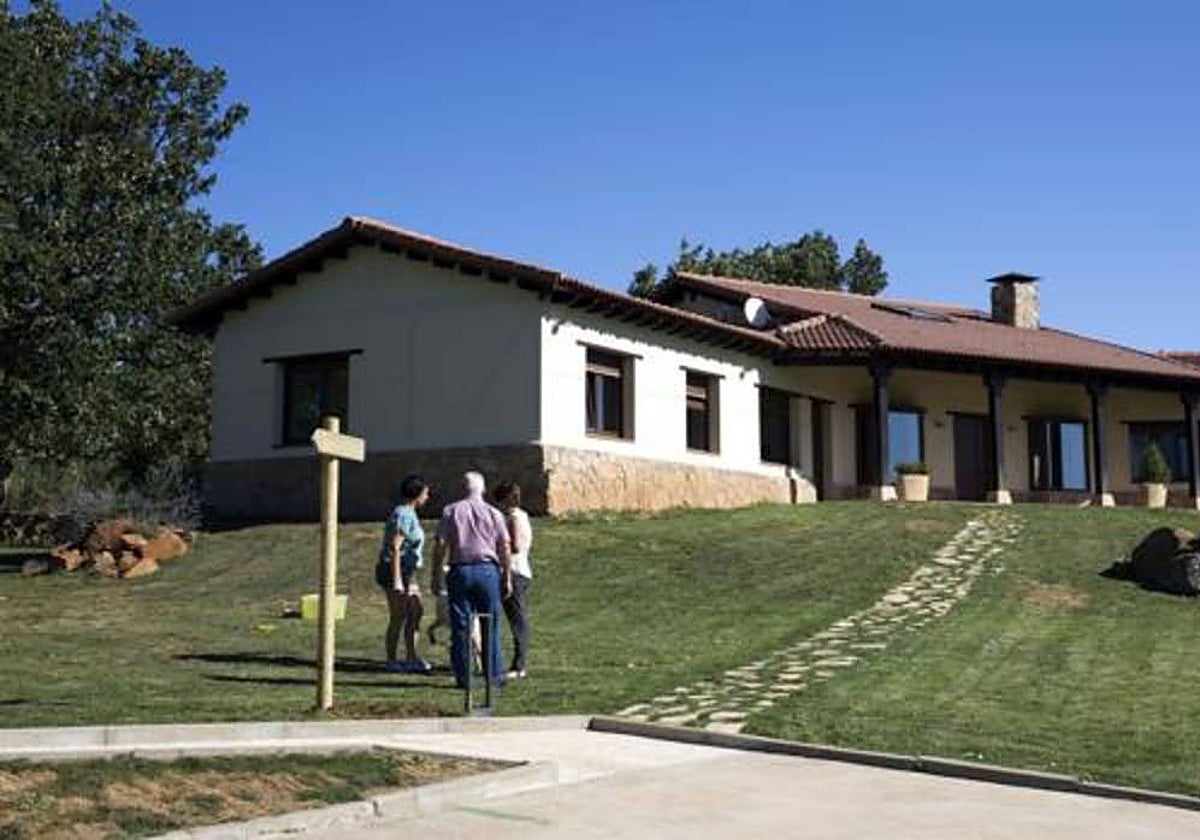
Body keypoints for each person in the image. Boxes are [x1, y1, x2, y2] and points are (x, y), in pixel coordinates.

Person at [432, 471, 511, 688]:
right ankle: (493, 675)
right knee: (490, 623)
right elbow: (504, 545)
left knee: (461, 626)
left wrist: (436, 573)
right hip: (487, 570)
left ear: (463, 488)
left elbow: (440, 545)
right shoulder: (494, 513)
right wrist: (507, 575)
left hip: (460, 569)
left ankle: (464, 677)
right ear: (482, 489)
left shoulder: (451, 511)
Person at [376, 475, 431, 674]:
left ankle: (411, 657)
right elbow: (395, 547)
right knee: (398, 616)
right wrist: (398, 580)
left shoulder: (411, 513)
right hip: (394, 571)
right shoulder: (402, 514)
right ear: (417, 494)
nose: (428, 496)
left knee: (416, 611)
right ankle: (391, 660)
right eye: (426, 493)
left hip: (409, 572)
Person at [494, 481, 532, 679]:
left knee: (517, 619)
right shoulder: (521, 515)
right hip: (520, 571)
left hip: (514, 571)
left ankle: (519, 665)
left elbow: (514, 546)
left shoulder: (513, 517)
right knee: (516, 618)